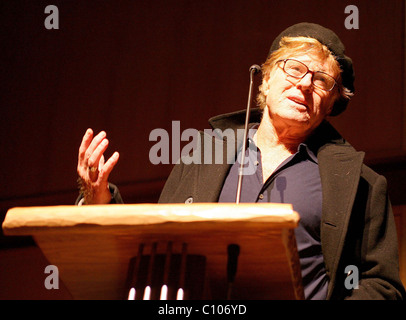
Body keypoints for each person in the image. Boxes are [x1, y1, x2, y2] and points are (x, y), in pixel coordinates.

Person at [76, 22, 405, 300]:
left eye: (321, 80)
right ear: (265, 78)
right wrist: (99, 199)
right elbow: (156, 247)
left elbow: (383, 285)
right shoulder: (203, 155)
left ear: (332, 103)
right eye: (294, 68)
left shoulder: (362, 183)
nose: (305, 83)